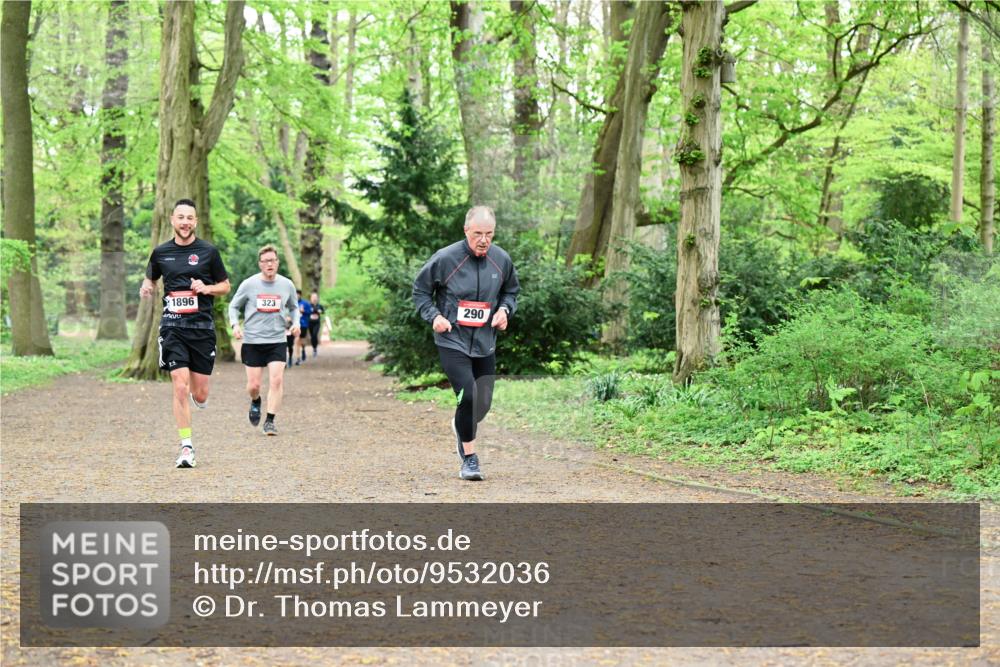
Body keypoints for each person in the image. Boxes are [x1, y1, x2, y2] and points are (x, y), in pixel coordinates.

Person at [412, 205, 520, 481]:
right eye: (477, 234)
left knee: (481, 405)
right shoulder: (446, 258)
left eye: (489, 234)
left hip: (486, 343)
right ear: (466, 231)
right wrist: (434, 316)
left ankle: (461, 423)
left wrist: (504, 311)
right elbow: (421, 290)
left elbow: (511, 291)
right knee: (469, 397)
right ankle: (470, 459)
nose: (483, 240)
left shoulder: (501, 260)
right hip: (452, 341)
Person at [139, 198, 230, 468]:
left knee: (199, 394)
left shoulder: (209, 252)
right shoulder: (160, 253)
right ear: (172, 220)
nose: (185, 222)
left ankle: (196, 396)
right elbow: (150, 277)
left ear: (196, 221)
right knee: (179, 385)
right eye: (181, 217)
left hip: (201, 328)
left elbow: (225, 285)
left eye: (190, 217)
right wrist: (146, 288)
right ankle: (186, 447)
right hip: (173, 327)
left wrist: (207, 288)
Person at [228, 245, 299, 436]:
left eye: (273, 260)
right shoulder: (248, 284)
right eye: (266, 261)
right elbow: (233, 306)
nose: (270, 264)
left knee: (276, 380)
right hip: (252, 341)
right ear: (260, 264)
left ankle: (270, 421)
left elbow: (294, 307)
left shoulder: (287, 285)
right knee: (254, 386)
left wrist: (296, 323)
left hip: (277, 340)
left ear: (278, 263)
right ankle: (256, 400)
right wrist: (235, 325)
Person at [307, 291, 328, 357]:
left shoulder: (320, 306)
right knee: (312, 336)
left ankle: (315, 349)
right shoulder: (308, 305)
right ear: (310, 298)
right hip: (310, 323)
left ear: (317, 298)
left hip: (317, 323)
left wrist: (320, 311)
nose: (314, 298)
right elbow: (306, 312)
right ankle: (314, 347)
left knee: (314, 335)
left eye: (315, 297)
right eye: (313, 297)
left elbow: (323, 312)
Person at [295, 289, 312, 365]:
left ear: (300, 295)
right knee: (297, 339)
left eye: (298, 294)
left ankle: (303, 349)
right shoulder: (291, 303)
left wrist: (303, 311)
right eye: (295, 294)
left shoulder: (305, 303)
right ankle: (298, 358)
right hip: (294, 325)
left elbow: (310, 312)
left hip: (303, 324)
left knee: (301, 340)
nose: (296, 296)